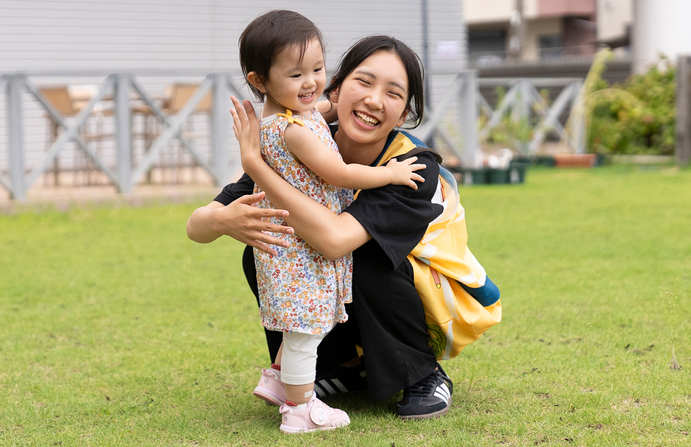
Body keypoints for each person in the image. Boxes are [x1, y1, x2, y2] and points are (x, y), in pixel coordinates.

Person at [187, 34, 502, 422]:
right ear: (336, 89)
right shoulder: (301, 143)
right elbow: (196, 227)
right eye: (364, 82)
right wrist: (222, 220)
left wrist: (257, 168)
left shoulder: (411, 168)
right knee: (266, 245)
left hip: (433, 300)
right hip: (339, 290)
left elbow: (335, 241)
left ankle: (421, 373)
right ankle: (338, 369)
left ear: (402, 114)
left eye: (393, 93)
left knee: (362, 255)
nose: (373, 100)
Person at [226, 11, 427, 434]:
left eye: (317, 70)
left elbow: (325, 106)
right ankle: (301, 410)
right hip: (303, 255)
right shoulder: (294, 131)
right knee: (305, 327)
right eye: (296, 74)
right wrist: (390, 173)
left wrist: (338, 98)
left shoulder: (301, 114)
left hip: (307, 251)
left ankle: (280, 379)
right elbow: (339, 176)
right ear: (260, 81)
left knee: (307, 321)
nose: (310, 83)